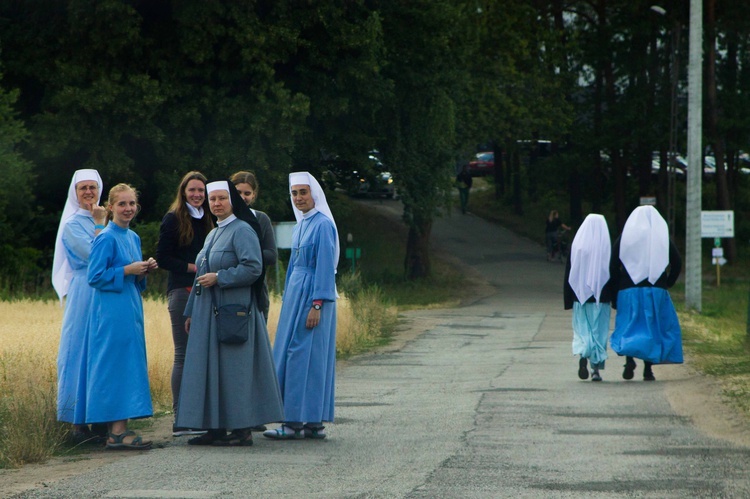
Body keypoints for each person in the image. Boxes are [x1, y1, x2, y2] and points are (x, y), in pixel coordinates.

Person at [176, 181, 283, 447]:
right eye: (212, 199)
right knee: (212, 371)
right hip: (207, 314)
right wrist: (190, 312)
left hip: (233, 312)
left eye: (222, 198)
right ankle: (215, 428)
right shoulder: (213, 234)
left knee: (236, 372)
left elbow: (253, 267)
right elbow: (202, 274)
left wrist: (221, 278)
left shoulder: (242, 230)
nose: (216, 203)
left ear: (232, 201)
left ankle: (242, 430)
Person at [264, 172, 339, 441]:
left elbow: (325, 268)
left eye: (303, 193)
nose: (298, 198)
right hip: (296, 296)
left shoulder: (323, 225)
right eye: (294, 193)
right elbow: (294, 267)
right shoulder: (302, 225)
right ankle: (310, 422)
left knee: (302, 355)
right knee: (295, 353)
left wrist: (316, 305)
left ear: (313, 194)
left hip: (312, 297)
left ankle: (297, 422)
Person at [86, 183, 157, 450]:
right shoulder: (106, 237)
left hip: (131, 308)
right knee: (115, 365)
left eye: (131, 204)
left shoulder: (133, 237)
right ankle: (115, 432)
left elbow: (132, 277)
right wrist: (127, 270)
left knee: (129, 365)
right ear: (111, 207)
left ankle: (120, 429)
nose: (128, 209)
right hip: (112, 312)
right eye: (122, 204)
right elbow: (94, 277)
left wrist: (143, 271)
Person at [156, 171, 214, 437]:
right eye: (192, 190)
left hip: (206, 289)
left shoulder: (211, 217)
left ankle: (201, 414)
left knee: (204, 353)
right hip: (182, 289)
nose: (197, 195)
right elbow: (163, 258)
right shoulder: (173, 219)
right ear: (183, 192)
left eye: (201, 190)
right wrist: (193, 267)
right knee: (183, 353)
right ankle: (180, 417)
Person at [52, 169, 107, 444]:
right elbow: (96, 257)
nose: (88, 192)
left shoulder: (105, 221)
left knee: (100, 354)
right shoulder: (73, 225)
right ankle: (77, 424)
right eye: (83, 187)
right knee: (79, 352)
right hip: (84, 294)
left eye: (93, 187)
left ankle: (100, 418)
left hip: (106, 294)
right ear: (75, 193)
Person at [609, 205, 683, 382]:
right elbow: (677, 261)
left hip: (628, 289)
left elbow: (612, 264)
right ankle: (648, 370)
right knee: (652, 326)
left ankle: (629, 361)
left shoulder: (625, 238)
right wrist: (668, 282)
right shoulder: (661, 238)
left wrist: (616, 289)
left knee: (630, 325)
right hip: (655, 289)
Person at [563, 214, 615, 382]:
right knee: (599, 333)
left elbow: (569, 273)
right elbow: (612, 273)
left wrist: (568, 299)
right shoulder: (606, 248)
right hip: (601, 298)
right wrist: (615, 297)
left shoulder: (577, 246)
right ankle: (596, 370)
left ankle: (582, 358)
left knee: (582, 330)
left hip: (580, 297)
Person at [230, 170, 278, 322]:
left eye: (247, 193)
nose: (242, 197)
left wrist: (246, 255)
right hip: (227, 287)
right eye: (238, 192)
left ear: (253, 195)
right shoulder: (219, 218)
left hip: (255, 289)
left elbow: (271, 255)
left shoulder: (261, 219)